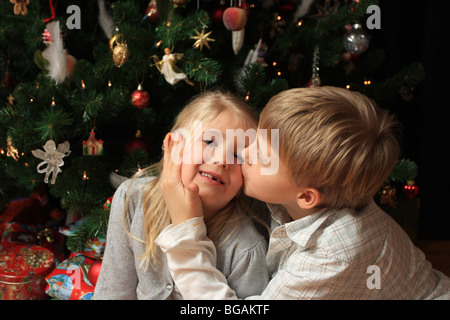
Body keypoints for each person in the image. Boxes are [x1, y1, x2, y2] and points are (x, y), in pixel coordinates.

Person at [156, 86, 450, 299]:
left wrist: (186, 233)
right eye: (258, 139)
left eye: (262, 155)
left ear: (306, 197)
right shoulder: (323, 188)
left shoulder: (335, 253)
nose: (243, 152)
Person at [94, 91, 269, 299]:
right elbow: (113, 292)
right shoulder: (132, 198)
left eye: (237, 155)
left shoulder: (246, 248)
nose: (222, 160)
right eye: (210, 142)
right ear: (174, 146)